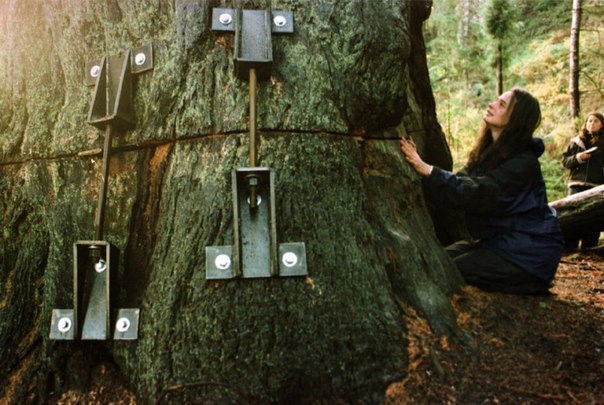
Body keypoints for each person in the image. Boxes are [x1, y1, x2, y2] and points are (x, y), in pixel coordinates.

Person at [400, 87, 563, 295]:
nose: (491, 104)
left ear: (516, 119)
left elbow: (480, 194)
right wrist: (427, 175)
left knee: (447, 271)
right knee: (436, 259)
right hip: (498, 243)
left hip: (527, 253)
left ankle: (530, 283)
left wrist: (428, 170)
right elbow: (460, 182)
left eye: (501, 104)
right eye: (496, 100)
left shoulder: (524, 163)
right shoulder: (488, 154)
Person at [561, 111, 604, 250]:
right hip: (576, 184)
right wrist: (579, 157)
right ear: (585, 124)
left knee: (593, 220)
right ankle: (569, 248)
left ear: (602, 124)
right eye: (589, 121)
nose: (592, 123)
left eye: (595, 121)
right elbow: (565, 162)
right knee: (571, 217)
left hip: (596, 186)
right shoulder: (576, 142)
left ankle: (588, 249)